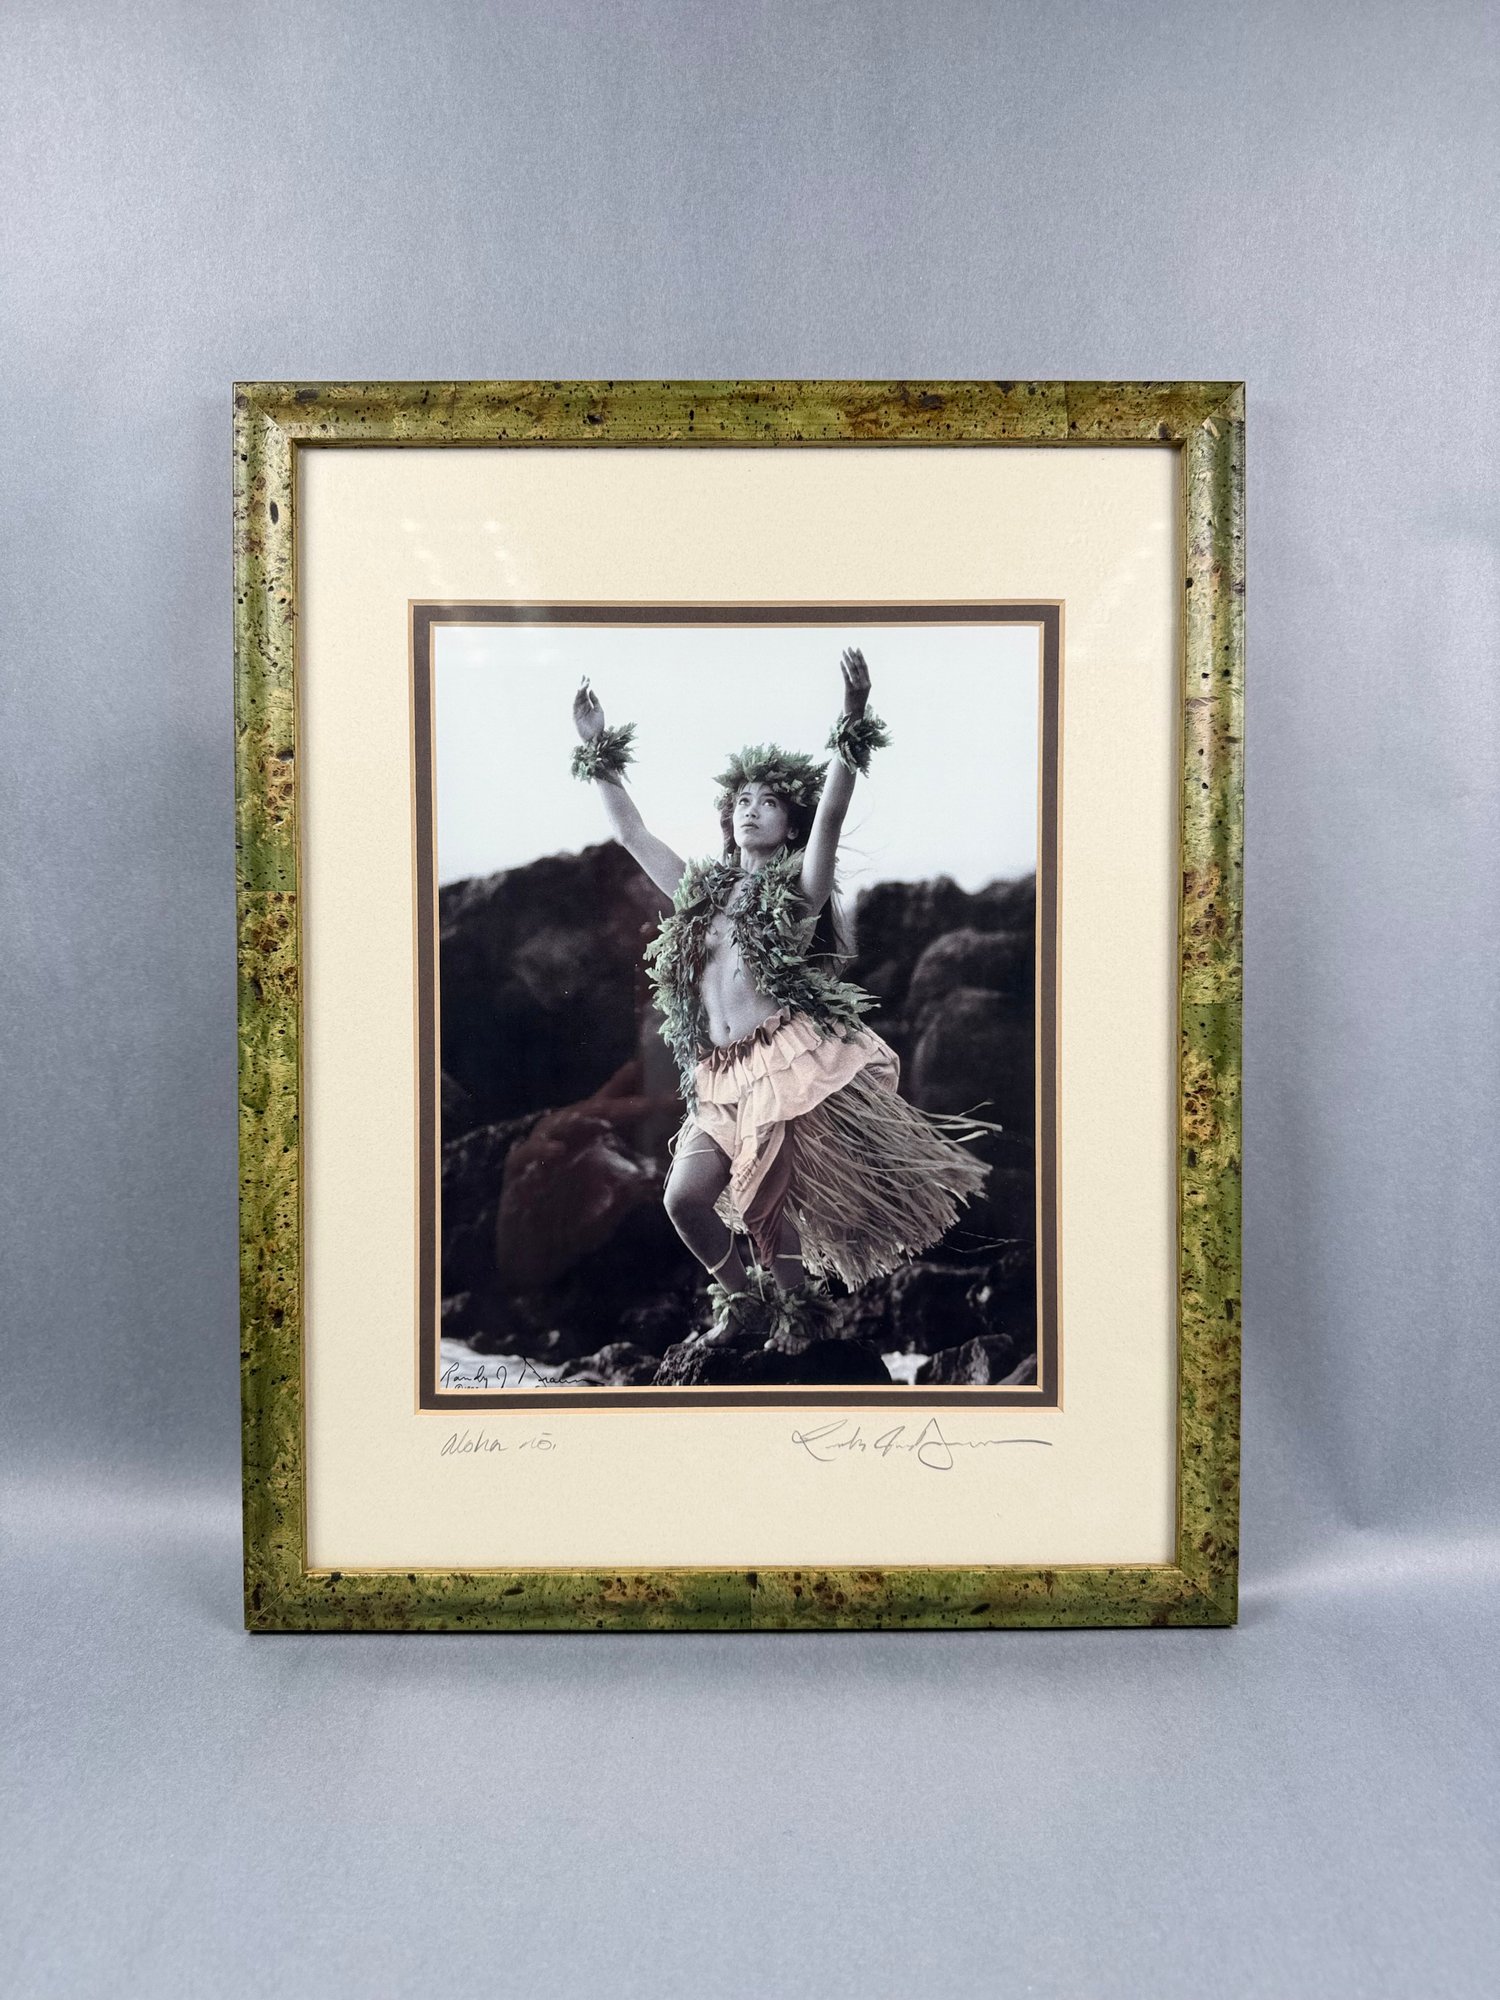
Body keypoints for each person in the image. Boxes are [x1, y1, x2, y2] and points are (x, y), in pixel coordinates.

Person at [570, 647, 990, 1343]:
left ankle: (799, 1322)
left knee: (765, 1204)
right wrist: (596, 744)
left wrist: (852, 716)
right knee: (684, 1200)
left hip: (780, 1063)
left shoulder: (797, 894)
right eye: (742, 801)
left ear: (787, 825)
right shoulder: (698, 892)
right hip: (718, 1075)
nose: (751, 810)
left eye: (768, 802)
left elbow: (831, 817)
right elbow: (631, 832)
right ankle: (744, 1304)